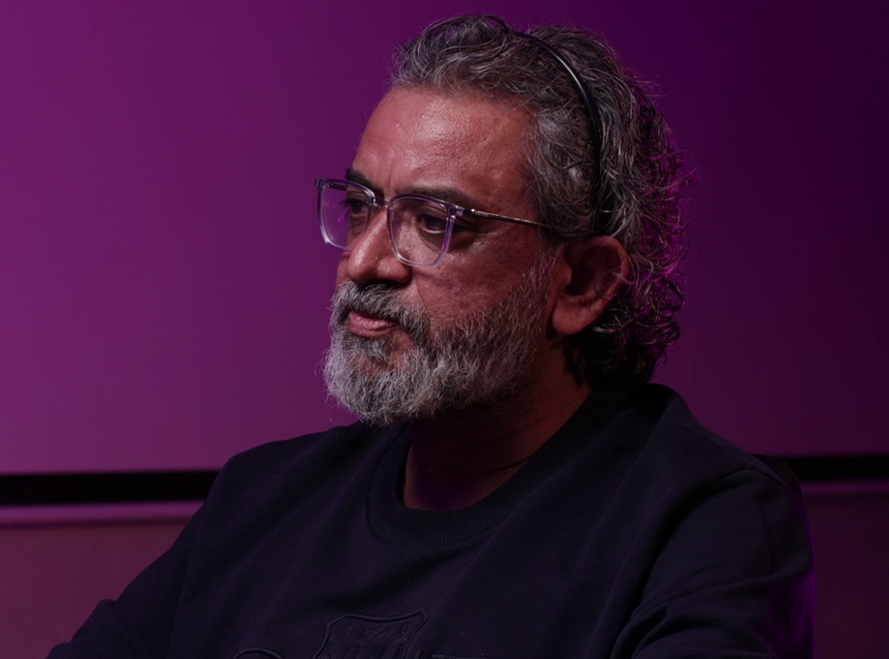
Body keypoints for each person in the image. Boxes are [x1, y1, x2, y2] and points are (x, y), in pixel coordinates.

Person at [49, 14, 813, 659]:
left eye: (435, 222)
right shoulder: (262, 499)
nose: (363, 261)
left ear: (580, 282)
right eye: (360, 205)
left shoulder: (703, 523)